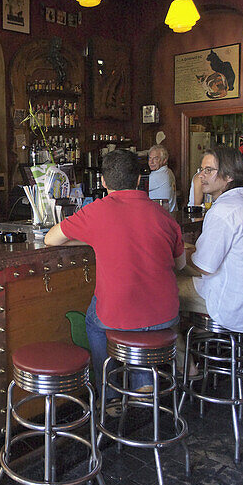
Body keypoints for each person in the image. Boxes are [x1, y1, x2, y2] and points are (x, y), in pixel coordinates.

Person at [44, 149, 187, 385]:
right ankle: (144, 386)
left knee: (94, 323)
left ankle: (109, 396)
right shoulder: (164, 215)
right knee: (141, 326)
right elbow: (180, 264)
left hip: (120, 313)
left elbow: (51, 238)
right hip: (166, 315)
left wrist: (95, 236)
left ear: (102, 181)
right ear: (140, 180)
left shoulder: (96, 211)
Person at [178, 146, 243, 334]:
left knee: (160, 286)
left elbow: (204, 267)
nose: (201, 176)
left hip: (233, 305)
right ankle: (196, 339)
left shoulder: (224, 210)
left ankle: (183, 359)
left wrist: (180, 253)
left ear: (230, 175)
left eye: (208, 170)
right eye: (201, 170)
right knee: (184, 256)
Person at [147, 144, 178, 211]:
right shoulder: (168, 171)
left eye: (156, 159)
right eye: (150, 158)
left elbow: (136, 188)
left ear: (164, 160)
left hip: (162, 216)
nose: (151, 162)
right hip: (170, 214)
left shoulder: (159, 175)